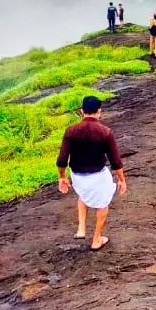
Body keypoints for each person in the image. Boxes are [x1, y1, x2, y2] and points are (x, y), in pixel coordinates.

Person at [57, 96, 127, 251]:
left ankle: (81, 228)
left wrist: (62, 177)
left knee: (83, 195)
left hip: (78, 177)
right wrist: (121, 180)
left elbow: (62, 159)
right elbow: (115, 161)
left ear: (82, 111)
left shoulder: (71, 130)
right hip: (98, 176)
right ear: (99, 111)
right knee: (103, 204)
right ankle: (96, 239)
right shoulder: (105, 132)